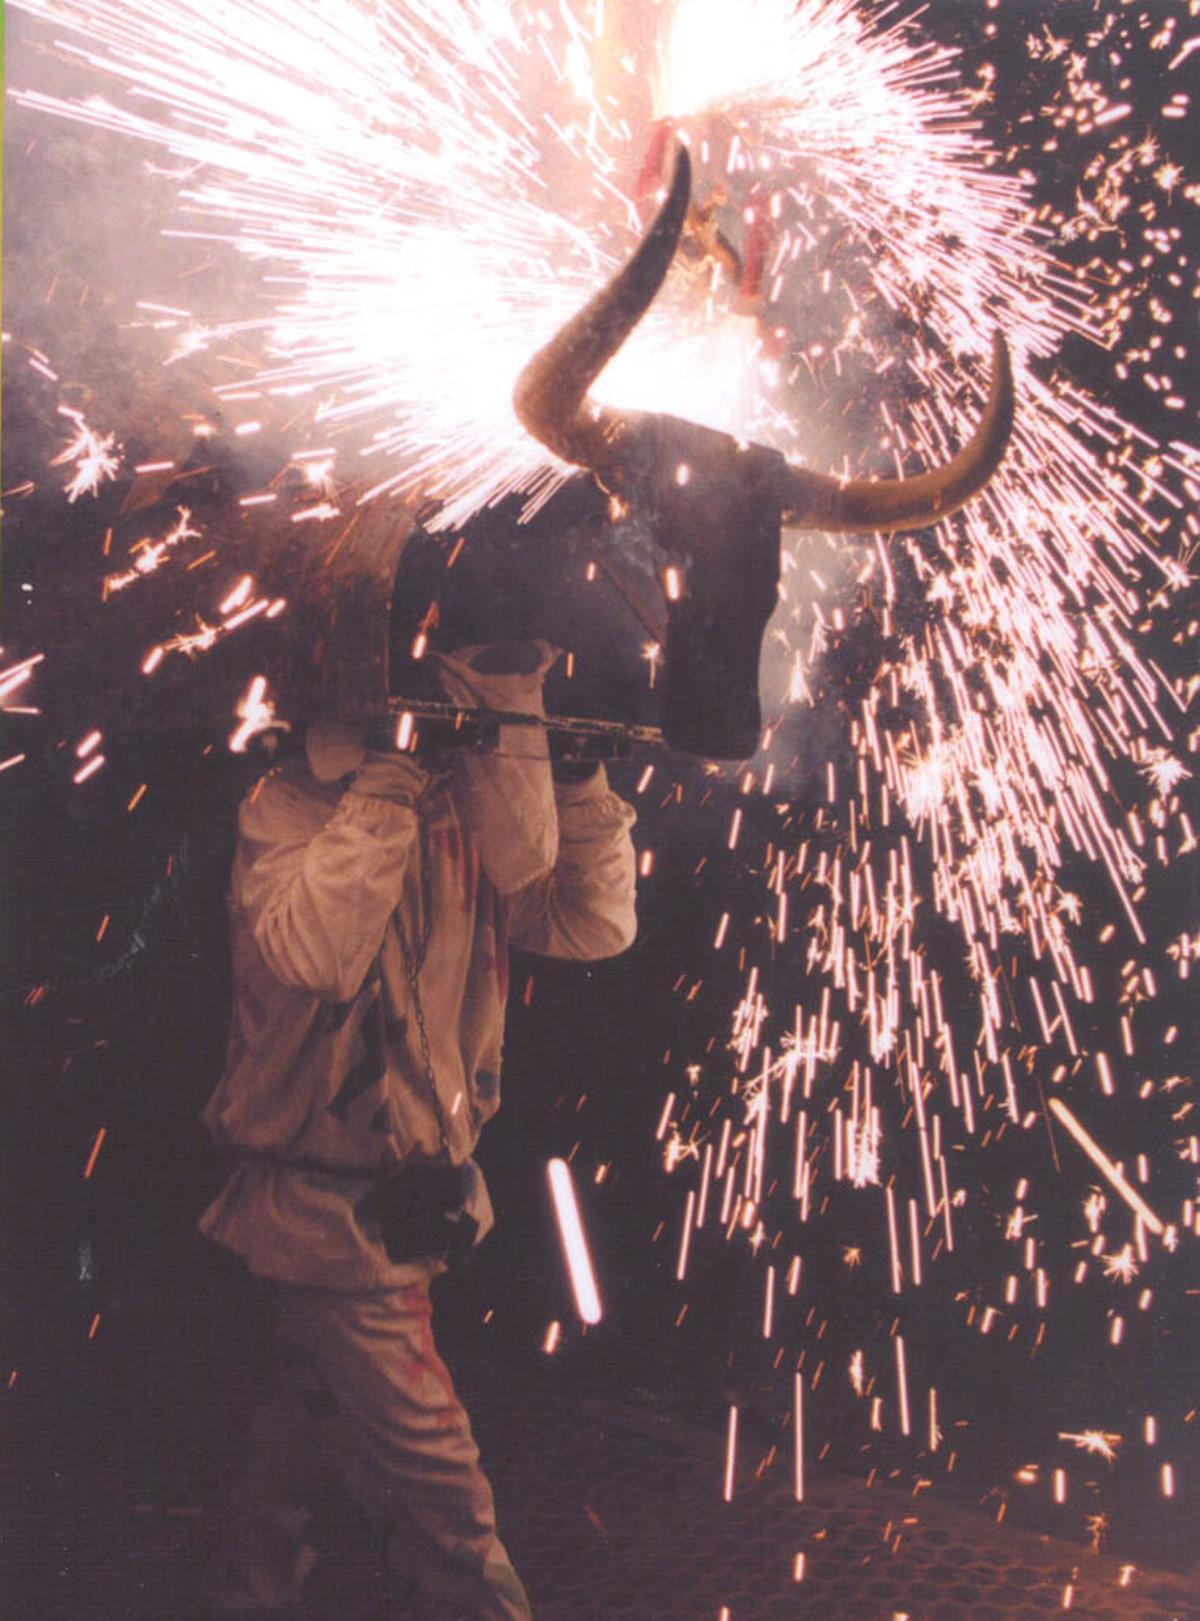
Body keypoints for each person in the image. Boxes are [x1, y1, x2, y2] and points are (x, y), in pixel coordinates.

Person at [198, 635, 637, 1618]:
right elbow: (320, 951)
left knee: (300, 1432)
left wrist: (574, 779)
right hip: (321, 1217)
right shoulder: (289, 809)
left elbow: (589, 925)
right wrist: (390, 781)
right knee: (446, 1499)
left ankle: (247, 1591)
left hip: (401, 1204)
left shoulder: (464, 822)